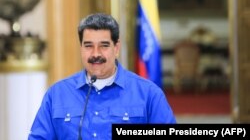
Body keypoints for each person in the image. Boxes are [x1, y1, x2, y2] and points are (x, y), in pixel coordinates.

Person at [28, 13, 176, 140]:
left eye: (104, 45)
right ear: (81, 49)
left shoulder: (148, 93)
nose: (95, 54)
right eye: (88, 46)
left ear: (116, 48)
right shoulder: (57, 94)